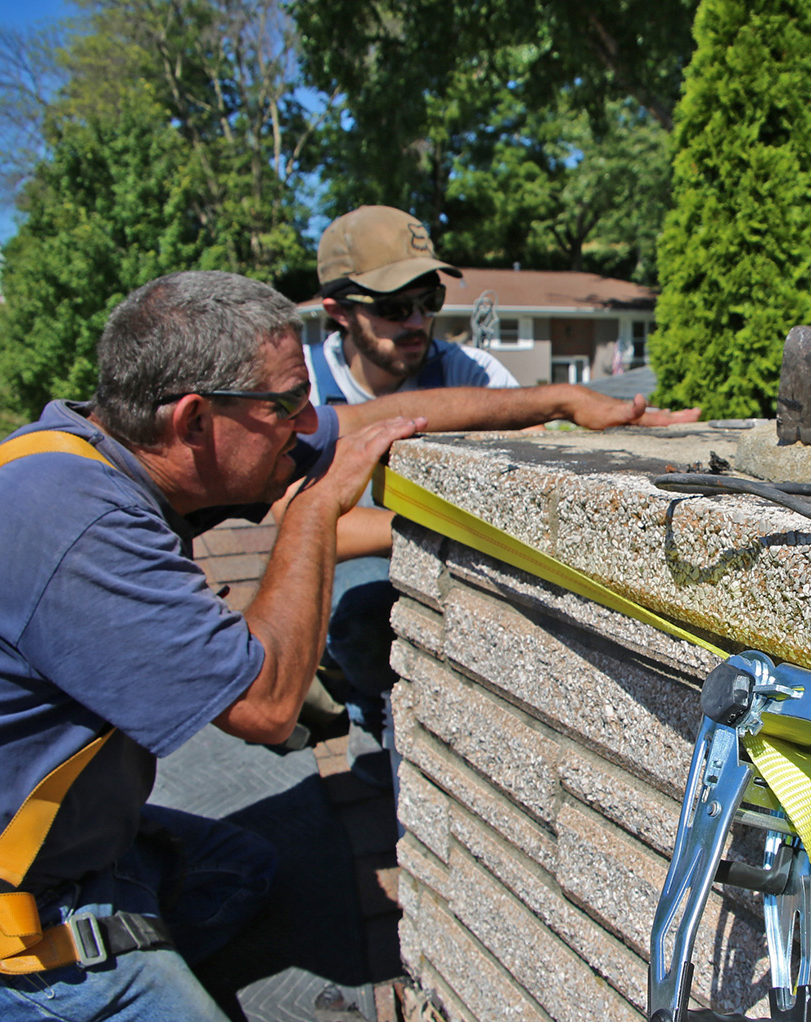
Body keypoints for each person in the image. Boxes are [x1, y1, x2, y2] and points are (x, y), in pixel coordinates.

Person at [0, 270, 426, 1022]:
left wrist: (577, 407)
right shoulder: (80, 528)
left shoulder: (62, 453)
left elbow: (369, 422)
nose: (307, 428)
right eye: (287, 406)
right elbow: (266, 708)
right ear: (194, 417)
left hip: (31, 843)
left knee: (241, 870)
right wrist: (313, 512)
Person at [299, 205, 700, 788]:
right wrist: (431, 525)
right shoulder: (307, 389)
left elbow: (531, 470)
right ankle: (376, 700)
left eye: (428, 300)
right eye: (392, 308)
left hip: (451, 545)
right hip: (364, 562)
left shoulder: (469, 371)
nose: (416, 321)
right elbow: (310, 530)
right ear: (338, 312)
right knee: (362, 621)